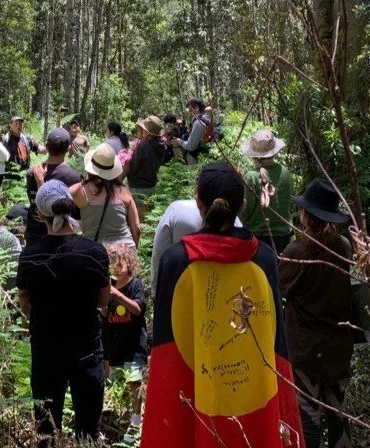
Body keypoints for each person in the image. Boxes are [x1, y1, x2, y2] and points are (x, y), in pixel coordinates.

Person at [141, 163, 303, 448]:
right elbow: (274, 339)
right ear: (242, 205)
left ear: (198, 204)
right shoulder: (264, 258)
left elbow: (168, 343)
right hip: (254, 385)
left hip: (193, 382)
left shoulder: (176, 260)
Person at [16, 180, 110, 447]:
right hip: (87, 351)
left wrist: (30, 315)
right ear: (70, 210)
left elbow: (25, 300)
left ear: (39, 214)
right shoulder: (94, 252)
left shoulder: (30, 256)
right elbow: (104, 301)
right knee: (88, 431)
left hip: (46, 351)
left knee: (46, 429)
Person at [280, 178, 355, 448]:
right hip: (338, 346)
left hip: (306, 350)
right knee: (338, 414)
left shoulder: (296, 252)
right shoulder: (344, 246)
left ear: (305, 215)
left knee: (308, 418)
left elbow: (279, 287)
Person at [102, 242, 149, 442]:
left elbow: (138, 309)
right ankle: (117, 419)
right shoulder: (108, 286)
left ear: (129, 264)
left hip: (133, 345)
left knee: (134, 382)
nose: (116, 269)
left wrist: (118, 295)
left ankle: (136, 421)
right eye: (111, 265)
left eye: (119, 264)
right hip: (114, 345)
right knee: (114, 382)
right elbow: (105, 314)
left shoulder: (134, 285)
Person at [150, 199, 241, 288]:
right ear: (241, 207)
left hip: (181, 290)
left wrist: (155, 290)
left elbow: (159, 253)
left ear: (198, 200)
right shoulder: (237, 224)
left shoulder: (175, 209)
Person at [66, 143, 141, 248]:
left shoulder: (83, 191)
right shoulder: (124, 192)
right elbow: (136, 228)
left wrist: (83, 183)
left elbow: (61, 196)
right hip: (125, 251)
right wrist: (133, 251)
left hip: (94, 251)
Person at [238, 130, 294, 254]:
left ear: (253, 155)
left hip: (257, 239)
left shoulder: (251, 176)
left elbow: (244, 212)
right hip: (284, 237)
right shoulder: (285, 172)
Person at [25, 128, 83, 244]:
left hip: (34, 234)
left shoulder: (33, 173)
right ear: (68, 148)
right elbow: (76, 212)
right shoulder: (75, 177)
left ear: (46, 146)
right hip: (62, 237)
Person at [125, 115, 167, 220]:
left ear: (147, 132)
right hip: (151, 185)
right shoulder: (162, 146)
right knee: (149, 219)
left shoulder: (142, 146)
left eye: (143, 129)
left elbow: (133, 169)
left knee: (138, 220)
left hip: (138, 187)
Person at [171, 98, 211, 165]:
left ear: (197, 109)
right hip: (206, 157)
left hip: (197, 159)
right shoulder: (207, 118)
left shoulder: (198, 123)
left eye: (190, 110)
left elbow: (191, 146)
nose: (189, 113)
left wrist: (179, 141)